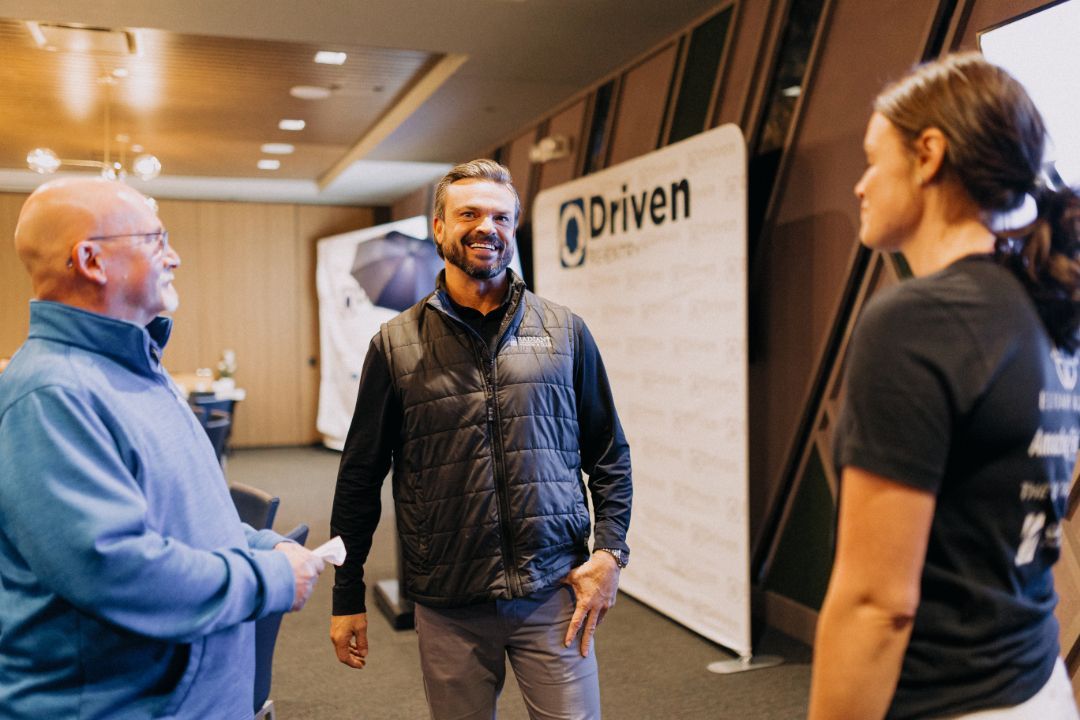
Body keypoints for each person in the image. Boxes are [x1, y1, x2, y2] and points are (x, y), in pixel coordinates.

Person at [808, 53, 1080, 719]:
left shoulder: (916, 320)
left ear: (928, 154)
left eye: (875, 160)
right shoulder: (1040, 301)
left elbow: (877, 605)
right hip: (1038, 686)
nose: (861, 186)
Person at [0, 177, 326, 719]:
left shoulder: (135, 366)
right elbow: (116, 570)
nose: (174, 257)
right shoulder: (51, 395)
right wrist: (267, 578)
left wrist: (253, 544)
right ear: (91, 261)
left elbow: (175, 511)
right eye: (155, 239)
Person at [330, 159, 632, 719]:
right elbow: (359, 477)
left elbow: (610, 453)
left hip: (553, 591)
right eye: (468, 213)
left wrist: (610, 552)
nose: (485, 227)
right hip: (449, 603)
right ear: (439, 228)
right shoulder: (395, 345)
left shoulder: (564, 332)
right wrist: (347, 593)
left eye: (500, 217)